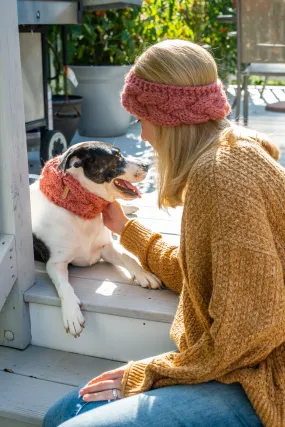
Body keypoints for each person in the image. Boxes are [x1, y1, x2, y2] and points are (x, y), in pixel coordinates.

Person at [42, 39, 285, 427]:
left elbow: (249, 333)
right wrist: (127, 230)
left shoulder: (221, 177)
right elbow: (205, 276)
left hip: (262, 381)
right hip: (233, 362)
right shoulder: (229, 155)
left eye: (141, 119)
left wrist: (152, 371)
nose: (142, 135)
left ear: (167, 119)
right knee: (58, 414)